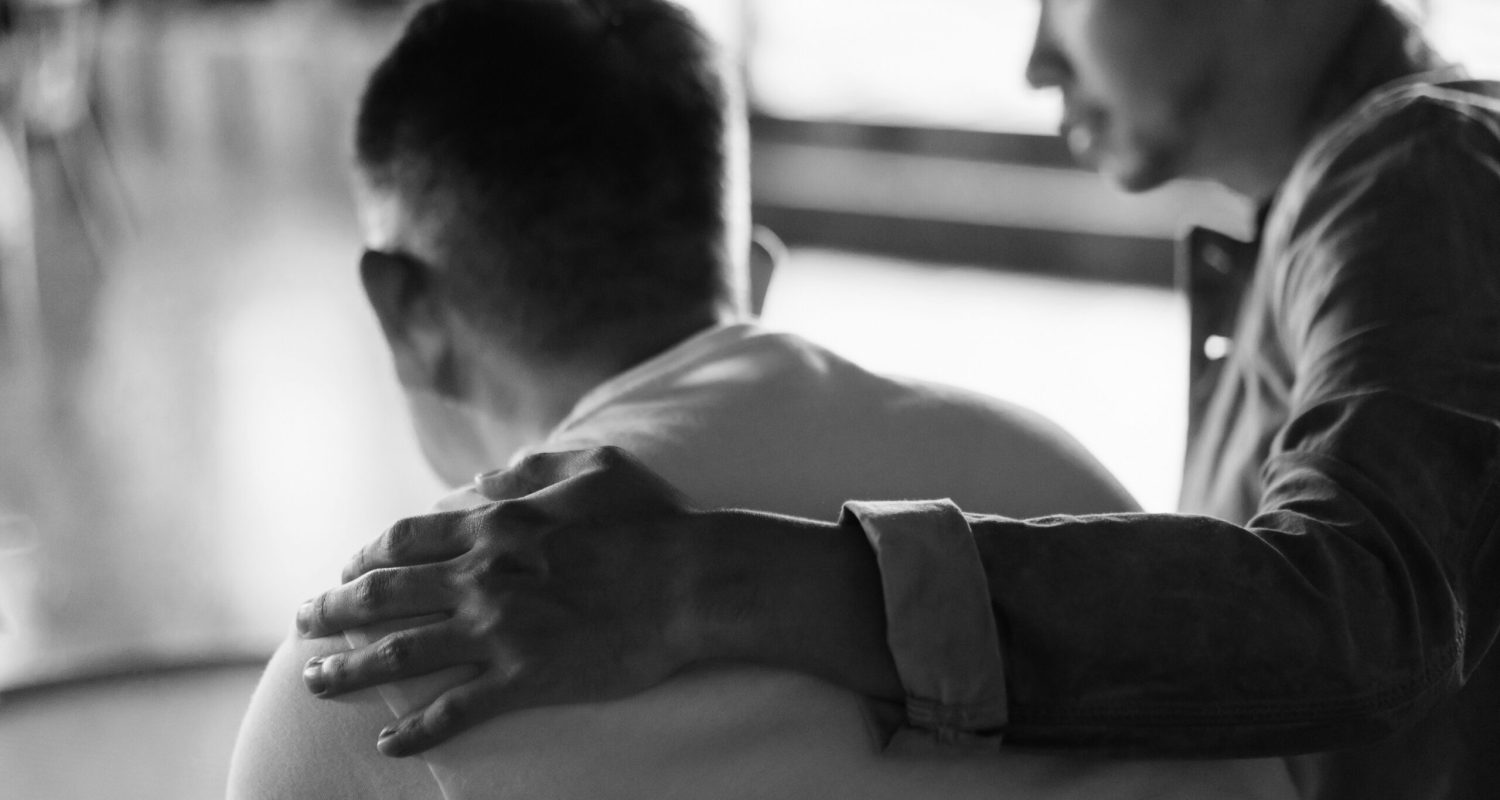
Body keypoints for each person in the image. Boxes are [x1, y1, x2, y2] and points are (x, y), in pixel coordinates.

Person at [294, 0, 1500, 798]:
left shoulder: (1421, 171)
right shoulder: (1345, 209)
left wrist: (704, 581)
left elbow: (1371, 612)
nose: (1037, 58)